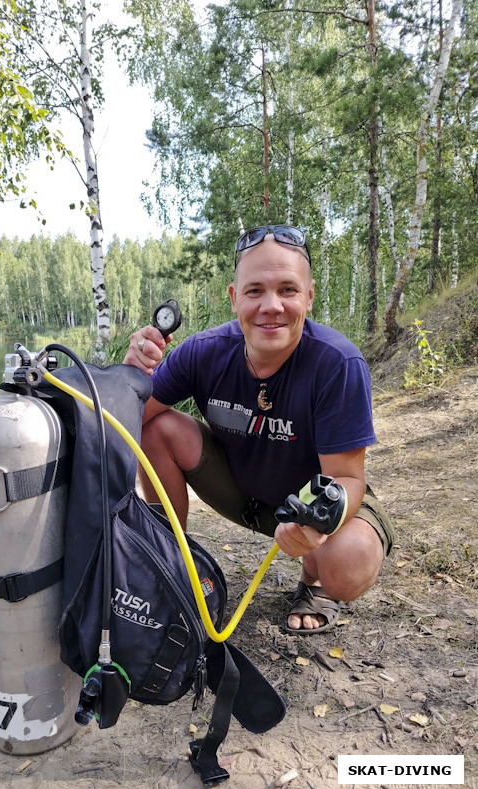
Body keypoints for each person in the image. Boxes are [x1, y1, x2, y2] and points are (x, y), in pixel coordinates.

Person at [123, 224, 395, 634]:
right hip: (241, 490)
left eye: (287, 289)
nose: (271, 305)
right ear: (234, 299)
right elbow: (127, 421)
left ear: (309, 295)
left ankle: (314, 578)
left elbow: (347, 479)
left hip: (309, 505)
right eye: (254, 291)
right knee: (158, 426)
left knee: (349, 562)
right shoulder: (203, 352)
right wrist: (129, 377)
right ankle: (168, 559)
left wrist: (316, 522)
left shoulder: (338, 364)